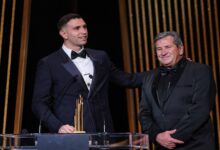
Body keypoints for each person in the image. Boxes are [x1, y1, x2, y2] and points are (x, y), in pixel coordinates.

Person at [32, 13, 145, 133]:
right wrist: (58, 126)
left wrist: (158, 72)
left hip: (103, 132)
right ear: (63, 34)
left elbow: (126, 79)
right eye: (77, 28)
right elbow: (39, 103)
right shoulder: (49, 63)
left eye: (85, 27)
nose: (84, 31)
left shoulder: (101, 57)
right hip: (72, 134)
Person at [139, 31, 216, 150]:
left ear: (180, 49)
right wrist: (157, 136)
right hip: (161, 146)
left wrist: (172, 138)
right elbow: (144, 113)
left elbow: (201, 108)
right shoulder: (149, 77)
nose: (163, 52)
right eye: (159, 49)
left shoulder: (200, 71)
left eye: (168, 47)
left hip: (195, 145)